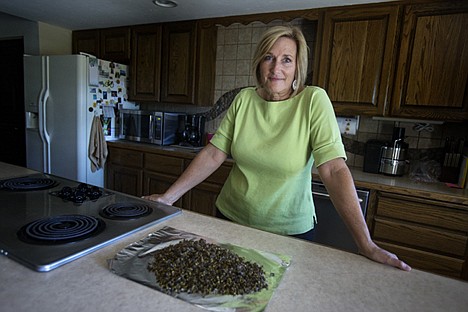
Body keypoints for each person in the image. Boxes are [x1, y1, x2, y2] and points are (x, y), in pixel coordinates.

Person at [143, 25, 411, 272]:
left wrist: (366, 244)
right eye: (269, 57)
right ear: (259, 62)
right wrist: (168, 197)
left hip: (288, 233)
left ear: (297, 67)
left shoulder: (313, 101)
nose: (276, 68)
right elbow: (214, 153)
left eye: (286, 60)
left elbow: (332, 168)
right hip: (230, 219)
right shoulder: (244, 99)